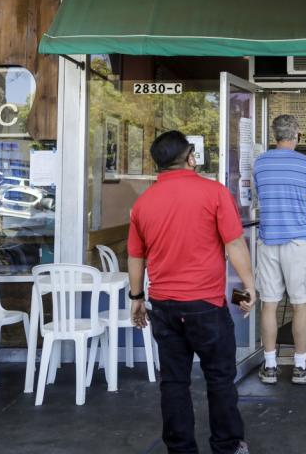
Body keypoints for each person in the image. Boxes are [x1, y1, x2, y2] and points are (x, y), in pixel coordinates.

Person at [128, 130, 255, 454]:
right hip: (206, 306)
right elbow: (234, 243)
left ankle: (181, 449)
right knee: (220, 379)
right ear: (190, 157)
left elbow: (135, 255)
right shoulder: (213, 192)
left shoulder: (143, 203)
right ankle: (226, 446)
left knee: (173, 382)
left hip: (164, 306)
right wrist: (249, 286)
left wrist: (136, 298)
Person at [253, 114, 306, 385]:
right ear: (297, 135)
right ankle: (300, 366)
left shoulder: (260, 163)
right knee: (300, 305)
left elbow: (258, 198)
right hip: (297, 241)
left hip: (268, 241)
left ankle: (270, 367)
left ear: (275, 136)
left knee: (269, 305)